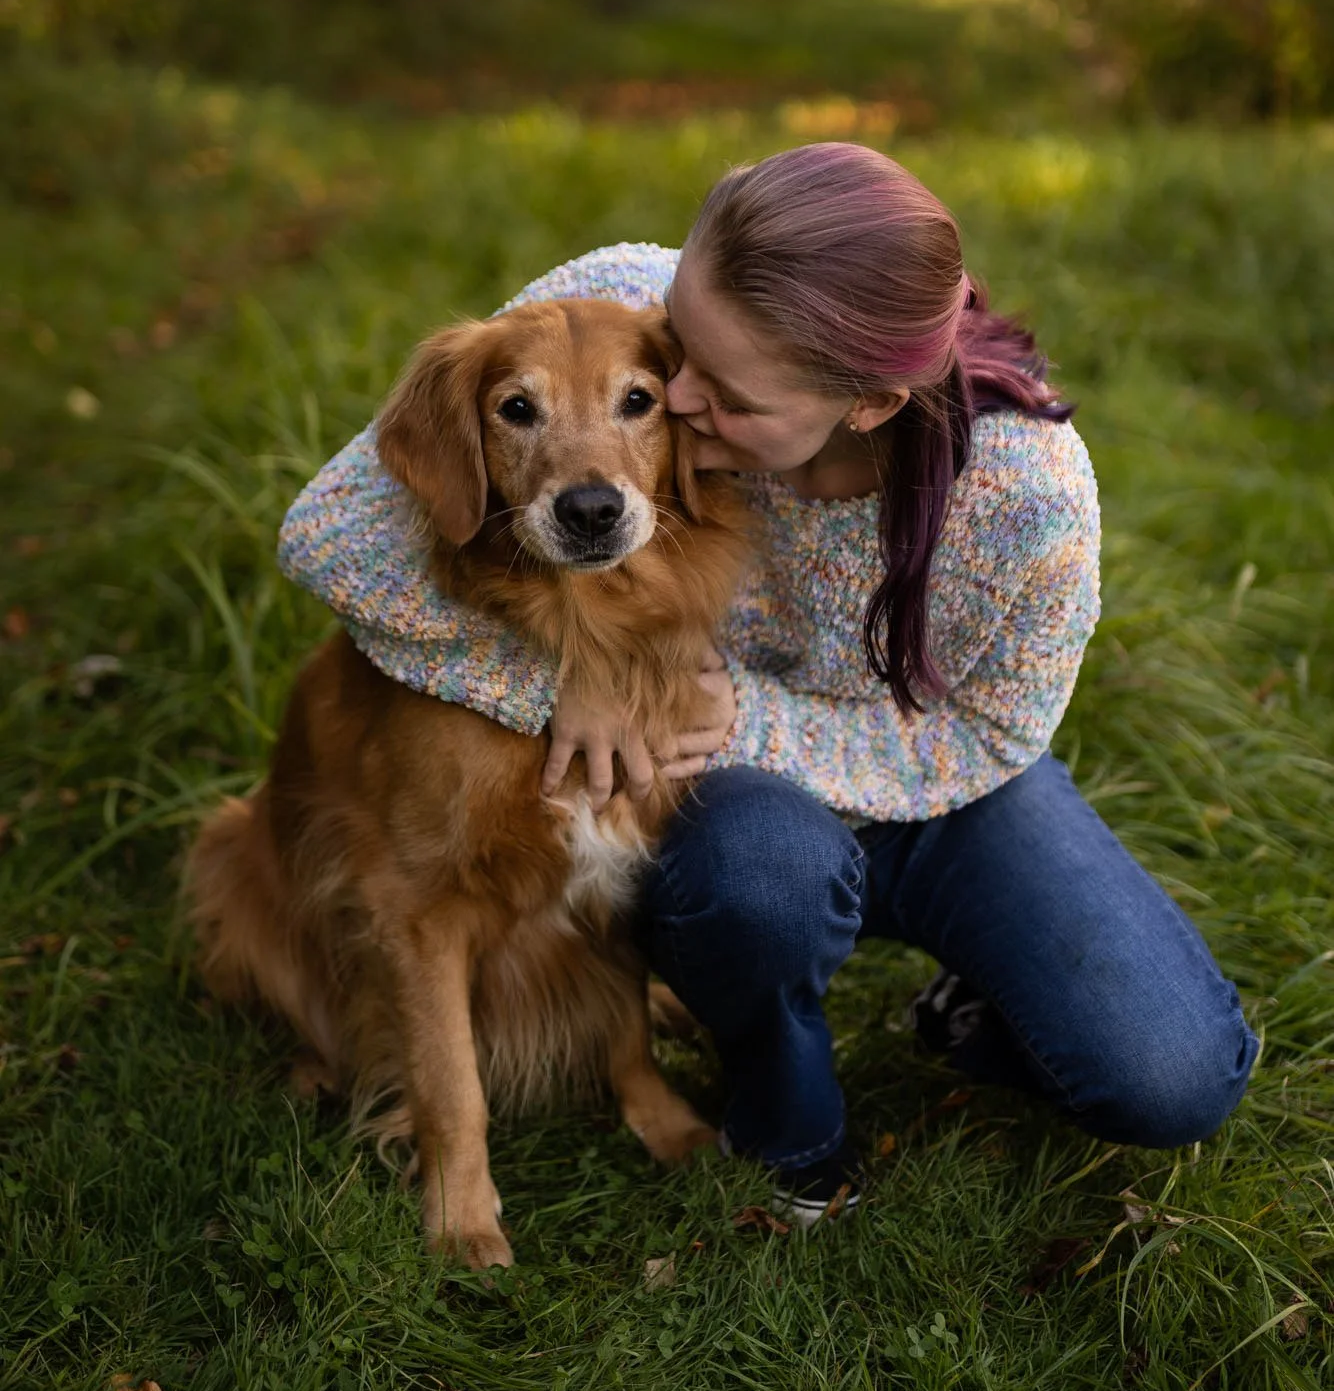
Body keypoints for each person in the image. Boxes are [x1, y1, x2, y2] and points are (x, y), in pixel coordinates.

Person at [278, 142, 1258, 1225]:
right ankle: (782, 1127)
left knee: (1171, 1076)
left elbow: (987, 736)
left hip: (934, 785)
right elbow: (328, 532)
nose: (680, 394)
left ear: (869, 403)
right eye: (680, 348)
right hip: (732, 803)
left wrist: (741, 714)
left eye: (720, 392)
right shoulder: (620, 306)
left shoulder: (1029, 499)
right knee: (755, 868)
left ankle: (975, 1004)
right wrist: (556, 681)